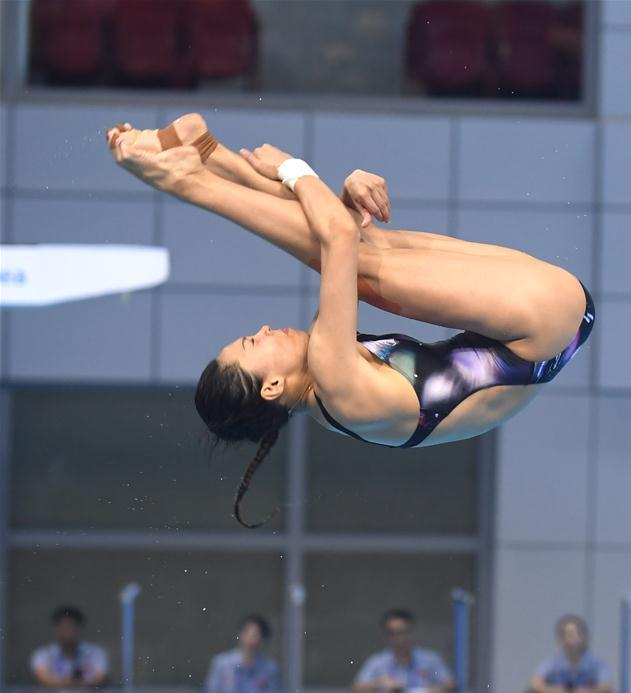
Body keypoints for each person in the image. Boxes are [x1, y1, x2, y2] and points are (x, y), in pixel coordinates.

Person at [106, 114, 596, 526]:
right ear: (272, 386)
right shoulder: (335, 385)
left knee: (359, 254)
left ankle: (208, 155)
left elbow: (338, 232)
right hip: (540, 327)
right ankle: (190, 181)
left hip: (545, 329)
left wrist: (338, 194)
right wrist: (293, 169)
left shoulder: (326, 376)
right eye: (251, 344)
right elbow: (337, 240)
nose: (261, 330)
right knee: (356, 262)